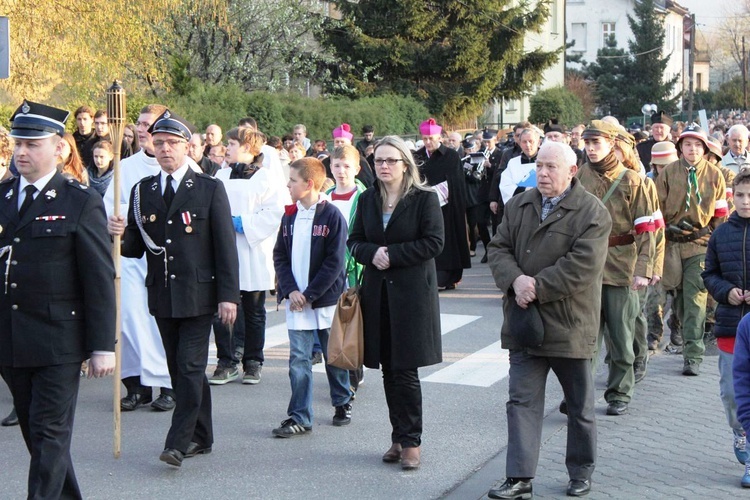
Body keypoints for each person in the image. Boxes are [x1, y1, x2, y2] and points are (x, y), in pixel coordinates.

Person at [108, 110, 240, 467]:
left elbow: (225, 247)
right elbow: (137, 248)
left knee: (190, 366)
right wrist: (119, 233)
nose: (165, 149)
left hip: (200, 294)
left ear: (188, 147)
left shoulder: (209, 189)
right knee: (182, 369)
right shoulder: (142, 191)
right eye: (159, 142)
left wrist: (229, 296)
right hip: (163, 294)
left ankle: (177, 442)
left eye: (172, 143)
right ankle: (202, 436)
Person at [0, 100, 116, 499]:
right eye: (18, 144)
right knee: (37, 434)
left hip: (58, 340)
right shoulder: (2, 196)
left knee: (49, 434)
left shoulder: (79, 200)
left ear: (59, 148)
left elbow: (99, 277)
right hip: (10, 336)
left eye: (32, 144)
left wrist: (102, 345)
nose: (21, 152)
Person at [486, 141, 611, 499]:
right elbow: (498, 249)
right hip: (524, 323)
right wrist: (515, 280)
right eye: (539, 165)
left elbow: (582, 267)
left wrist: (536, 287)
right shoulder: (520, 204)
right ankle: (519, 478)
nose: (542, 172)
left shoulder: (592, 212)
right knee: (521, 402)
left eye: (551, 167)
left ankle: (580, 471)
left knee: (579, 406)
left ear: (572, 171)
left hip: (569, 325)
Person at [348, 135, 444, 470]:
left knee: (405, 369)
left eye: (391, 161)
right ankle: (397, 436)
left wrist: (394, 255)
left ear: (406, 164)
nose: (384, 166)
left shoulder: (423, 199)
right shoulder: (367, 199)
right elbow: (355, 240)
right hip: (378, 294)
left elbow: (434, 242)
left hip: (412, 294)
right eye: (379, 161)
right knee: (389, 369)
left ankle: (412, 441)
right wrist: (372, 253)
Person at [577, 120, 654, 416]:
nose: (591, 149)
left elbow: (648, 229)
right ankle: (580, 393)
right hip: (586, 264)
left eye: (597, 143)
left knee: (621, 335)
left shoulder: (633, 180)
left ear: (612, 143)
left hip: (622, 264)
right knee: (585, 336)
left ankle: (620, 391)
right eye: (588, 143)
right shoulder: (580, 175)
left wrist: (644, 269)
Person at [272, 157, 353, 437]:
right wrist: (290, 290)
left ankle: (342, 400)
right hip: (297, 302)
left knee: (333, 355)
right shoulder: (290, 215)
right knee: (298, 359)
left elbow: (335, 263)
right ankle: (300, 416)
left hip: (323, 300)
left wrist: (309, 294)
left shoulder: (332, 216)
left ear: (308, 184)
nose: (287, 184)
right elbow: (280, 255)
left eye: (292, 180)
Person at [103, 104, 177, 413]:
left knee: (160, 323)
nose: (144, 129)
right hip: (132, 258)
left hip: (167, 261)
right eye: (141, 123)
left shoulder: (182, 166)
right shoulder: (125, 166)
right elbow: (109, 205)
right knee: (130, 319)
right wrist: (116, 219)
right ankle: (136, 385)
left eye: (150, 124)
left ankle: (168, 384)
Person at [210, 127, 285, 385]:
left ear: (247, 148)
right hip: (224, 249)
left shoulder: (265, 178)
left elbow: (276, 211)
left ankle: (253, 361)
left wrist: (243, 223)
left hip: (252, 250)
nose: (226, 148)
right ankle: (226, 361)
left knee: (253, 309)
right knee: (223, 309)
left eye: (232, 144)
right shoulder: (220, 175)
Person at [656, 124, 728, 376]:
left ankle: (693, 355)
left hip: (701, 245)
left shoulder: (714, 175)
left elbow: (720, 214)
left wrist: (719, 248)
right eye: (688, 144)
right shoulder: (667, 174)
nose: (693, 149)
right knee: (679, 300)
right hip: (672, 244)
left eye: (698, 145)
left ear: (705, 148)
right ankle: (678, 335)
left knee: (696, 300)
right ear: (680, 148)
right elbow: (657, 210)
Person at [703, 170, 750, 473]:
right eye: (741, 195)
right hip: (731, 327)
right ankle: (740, 432)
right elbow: (709, 274)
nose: (746, 201)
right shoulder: (721, 233)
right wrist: (726, 292)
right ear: (732, 195)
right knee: (733, 392)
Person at [326, 145, 368, 393]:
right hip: (330, 268)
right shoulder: (326, 196)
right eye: (337, 166)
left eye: (346, 166)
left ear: (357, 169)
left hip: (354, 267)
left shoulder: (363, 197)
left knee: (351, 320)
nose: (341, 171)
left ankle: (354, 366)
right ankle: (339, 367)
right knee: (333, 322)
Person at [414, 118, 470, 290]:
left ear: (439, 137)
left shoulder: (451, 156)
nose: (428, 142)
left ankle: (449, 275)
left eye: (431, 138)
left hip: (447, 207)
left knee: (449, 240)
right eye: (425, 139)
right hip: (424, 208)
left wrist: (433, 195)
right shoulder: (418, 157)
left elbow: (456, 183)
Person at [322, 123, 374, 187]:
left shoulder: (360, 161)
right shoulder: (325, 162)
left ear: (350, 143)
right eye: (337, 142)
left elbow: (368, 184)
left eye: (342, 142)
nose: (340, 144)